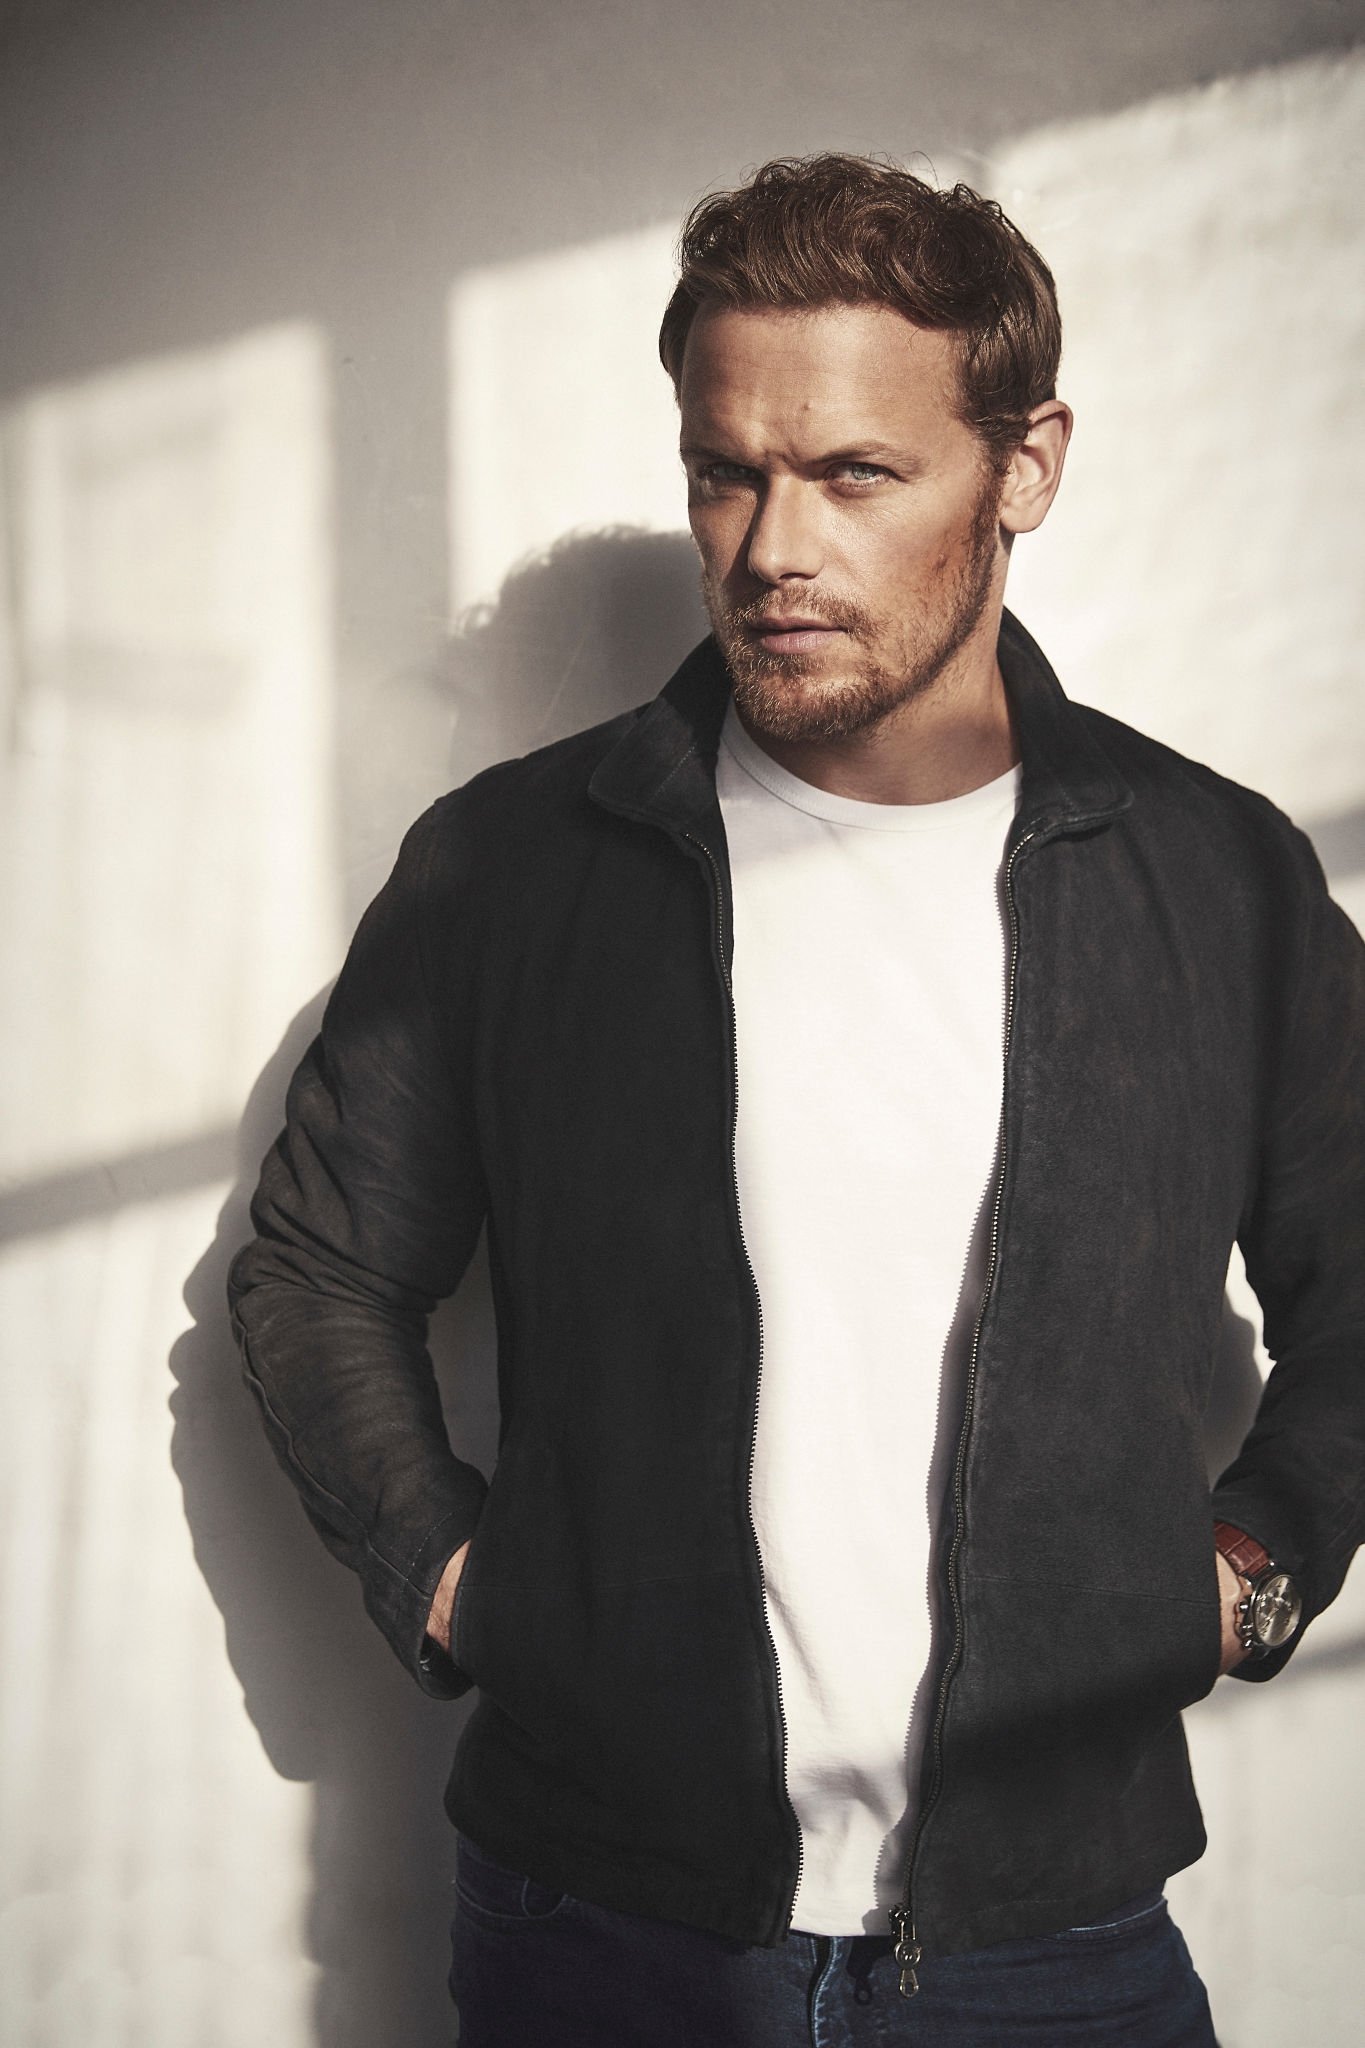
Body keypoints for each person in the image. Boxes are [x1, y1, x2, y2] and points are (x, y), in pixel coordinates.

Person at [228, 155, 1364, 2044]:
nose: (771, 549)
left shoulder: (1212, 877)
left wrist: (1252, 1570)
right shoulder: (516, 868)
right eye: (724, 472)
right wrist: (450, 1578)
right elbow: (317, 1268)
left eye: (853, 475)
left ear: (1024, 467)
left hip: (1053, 1942)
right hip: (601, 1923)